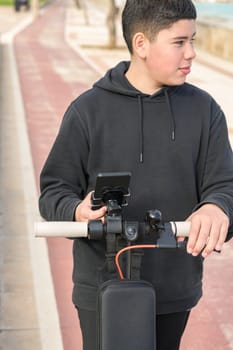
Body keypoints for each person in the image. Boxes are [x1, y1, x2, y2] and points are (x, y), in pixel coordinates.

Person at [39, 0, 233, 349]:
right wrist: (76, 210)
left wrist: (216, 207)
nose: (191, 53)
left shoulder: (205, 111)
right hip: (102, 287)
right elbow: (53, 191)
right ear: (141, 44)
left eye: (193, 40)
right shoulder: (86, 111)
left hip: (175, 288)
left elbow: (224, 185)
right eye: (179, 42)